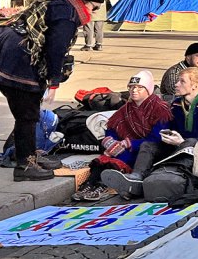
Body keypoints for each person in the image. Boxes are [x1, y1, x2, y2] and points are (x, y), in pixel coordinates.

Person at [0, 0, 102, 181]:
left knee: (29, 111)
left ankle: (30, 154)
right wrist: (54, 82)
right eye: (94, 8)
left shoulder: (60, 3)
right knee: (27, 114)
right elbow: (56, 49)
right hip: (17, 60)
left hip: (10, 52)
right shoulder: (68, 15)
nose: (94, 13)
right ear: (85, 2)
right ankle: (25, 165)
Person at [102, 67, 198, 198]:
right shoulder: (176, 104)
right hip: (176, 147)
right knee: (147, 145)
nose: (176, 84)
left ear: (194, 86)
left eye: (182, 81)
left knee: (191, 141)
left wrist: (183, 142)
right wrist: (168, 135)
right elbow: (169, 129)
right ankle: (136, 177)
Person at [73, 71, 172, 201]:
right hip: (123, 147)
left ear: (148, 90)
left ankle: (104, 185)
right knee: (103, 159)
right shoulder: (125, 109)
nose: (134, 90)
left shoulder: (160, 109)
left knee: (120, 158)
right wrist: (110, 141)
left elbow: (157, 138)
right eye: (131, 87)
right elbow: (112, 128)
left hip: (147, 151)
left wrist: (128, 144)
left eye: (139, 87)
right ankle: (90, 184)